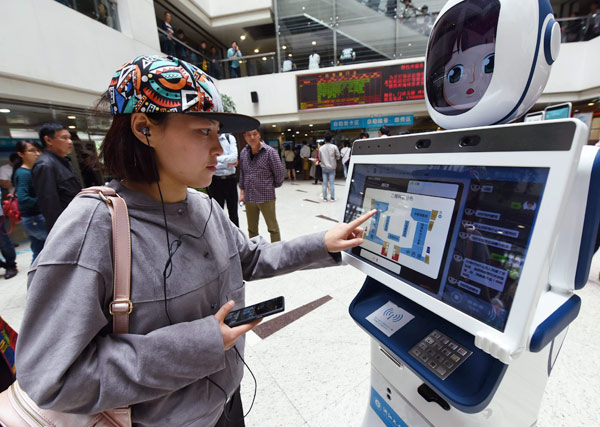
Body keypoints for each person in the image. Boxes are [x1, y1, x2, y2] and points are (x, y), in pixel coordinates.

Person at [14, 55, 376, 427]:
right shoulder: (92, 229)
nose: (219, 149)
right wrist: (198, 344)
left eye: (218, 133)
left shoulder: (202, 204)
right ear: (144, 128)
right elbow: (51, 377)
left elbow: (249, 259)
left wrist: (323, 243)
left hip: (227, 401)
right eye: (203, 131)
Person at [32, 122, 82, 231]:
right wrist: (60, 231)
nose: (70, 142)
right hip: (66, 227)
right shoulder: (45, 165)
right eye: (64, 138)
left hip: (76, 220)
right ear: (48, 140)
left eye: (70, 138)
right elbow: (49, 205)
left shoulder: (62, 161)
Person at [238, 128, 285, 242]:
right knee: (252, 229)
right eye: (249, 135)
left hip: (266, 197)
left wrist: (269, 186)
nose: (252, 137)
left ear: (259, 135)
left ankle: (276, 251)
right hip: (249, 197)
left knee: (272, 228)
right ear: (245, 137)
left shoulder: (270, 152)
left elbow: (279, 173)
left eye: (254, 134)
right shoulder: (244, 152)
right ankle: (255, 251)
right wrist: (242, 193)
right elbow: (242, 174)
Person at [12, 141, 47, 262]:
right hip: (35, 218)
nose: (37, 154)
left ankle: (37, 279)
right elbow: (24, 199)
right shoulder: (24, 174)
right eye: (32, 151)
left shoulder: (30, 171)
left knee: (39, 252)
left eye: (38, 150)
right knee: (51, 249)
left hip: (33, 219)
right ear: (21, 154)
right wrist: (44, 198)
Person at [208, 133, 240, 227]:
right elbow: (207, 161)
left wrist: (216, 160)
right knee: (217, 214)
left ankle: (236, 240)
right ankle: (220, 240)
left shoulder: (229, 138)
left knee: (233, 214)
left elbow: (234, 158)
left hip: (230, 180)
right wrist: (226, 164)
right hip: (215, 181)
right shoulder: (208, 139)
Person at [319, 132, 340, 202]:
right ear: (331, 139)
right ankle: (332, 198)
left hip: (324, 168)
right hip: (332, 168)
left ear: (324, 139)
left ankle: (325, 198)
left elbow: (320, 158)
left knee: (325, 183)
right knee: (332, 183)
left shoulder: (321, 148)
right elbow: (338, 157)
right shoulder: (334, 147)